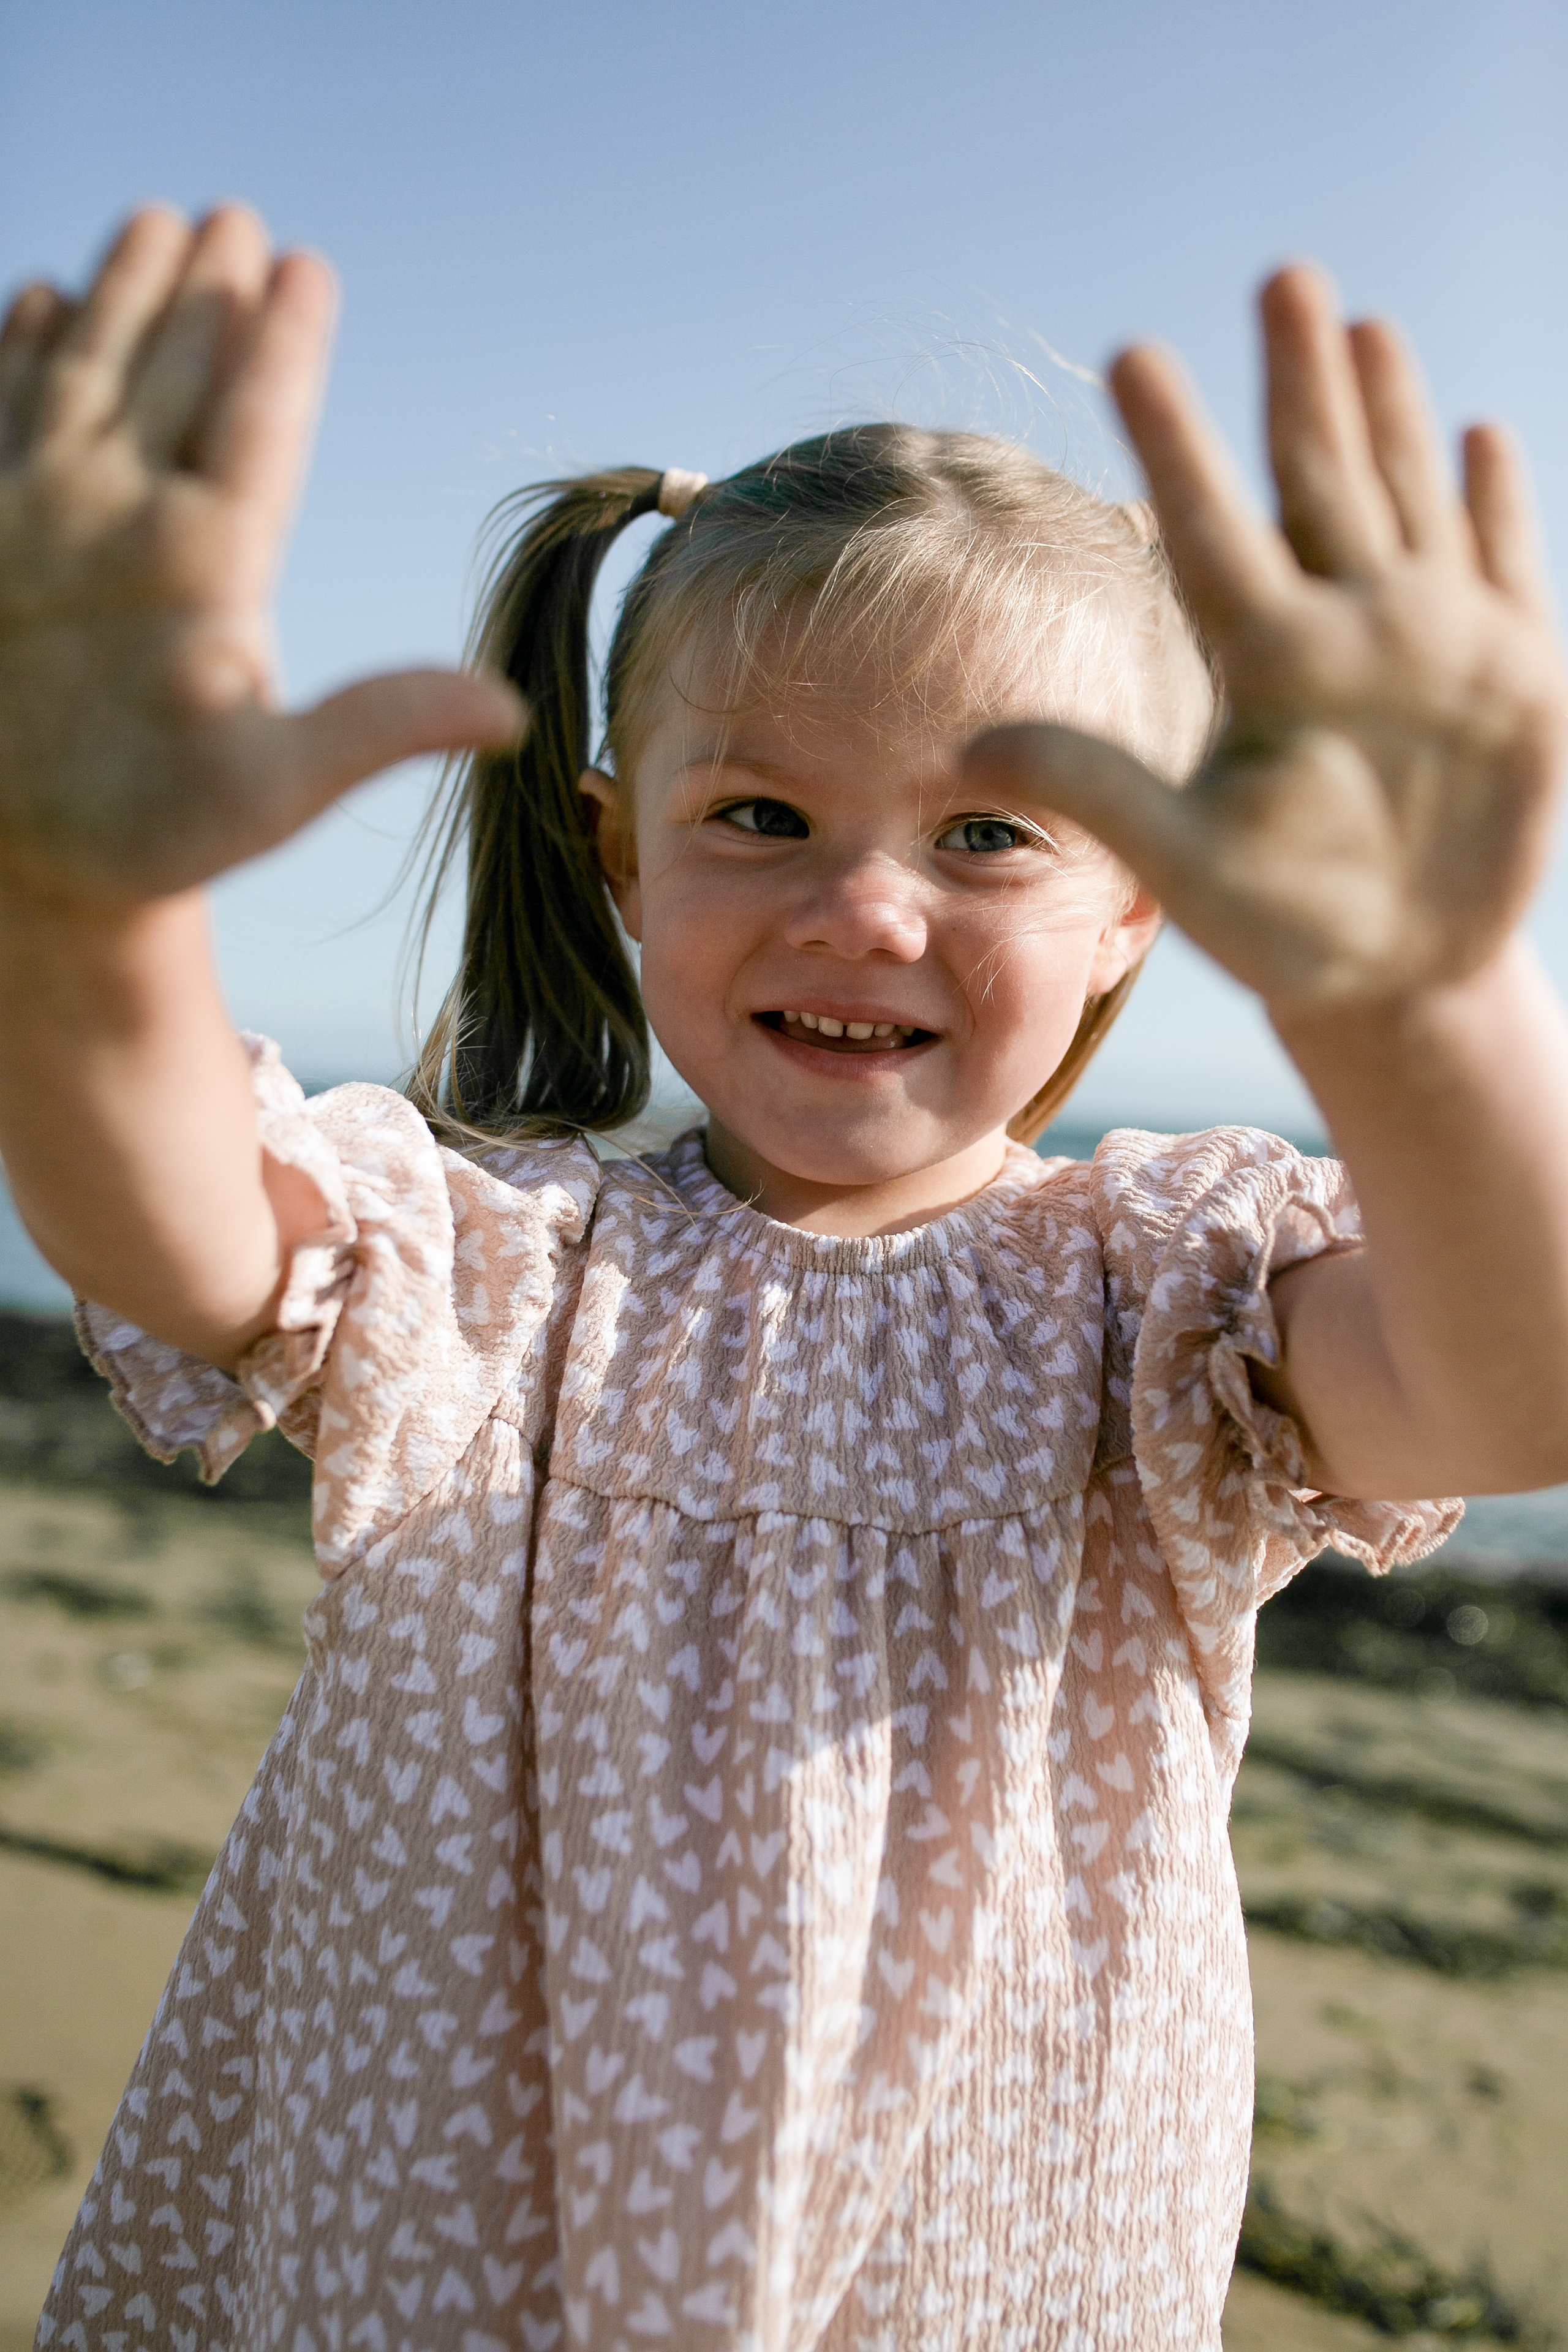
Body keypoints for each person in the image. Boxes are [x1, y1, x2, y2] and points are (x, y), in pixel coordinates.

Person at [4, 205, 1566, 2352]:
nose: (863, 910)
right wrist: (78, 919)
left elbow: (1512, 1384)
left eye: (988, 835)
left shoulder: (1165, 1302)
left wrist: (1432, 1003)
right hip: (446, 2267)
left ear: (1137, 904)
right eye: (759, 815)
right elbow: (175, 1229)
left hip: (979, 2266)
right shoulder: (503, 1273)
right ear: (621, 849)